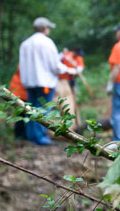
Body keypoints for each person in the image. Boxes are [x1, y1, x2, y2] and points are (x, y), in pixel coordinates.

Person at [19, 17, 76, 145]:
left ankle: (31, 136)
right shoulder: (47, 43)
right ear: (45, 28)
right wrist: (70, 70)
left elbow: (22, 65)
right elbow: (55, 65)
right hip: (44, 83)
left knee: (30, 109)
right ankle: (40, 138)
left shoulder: (25, 44)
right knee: (42, 110)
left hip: (29, 83)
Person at [56, 48, 84, 130]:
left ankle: (77, 123)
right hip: (62, 82)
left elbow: (80, 68)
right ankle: (67, 124)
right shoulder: (66, 55)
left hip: (72, 81)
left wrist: (75, 71)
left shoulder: (79, 58)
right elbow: (57, 61)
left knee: (74, 101)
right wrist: (67, 69)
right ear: (74, 52)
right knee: (66, 102)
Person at [9, 66, 30, 139]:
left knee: (21, 117)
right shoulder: (25, 66)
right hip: (20, 95)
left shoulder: (23, 64)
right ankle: (20, 136)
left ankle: (20, 135)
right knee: (22, 117)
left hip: (17, 94)